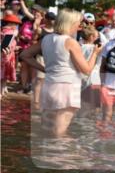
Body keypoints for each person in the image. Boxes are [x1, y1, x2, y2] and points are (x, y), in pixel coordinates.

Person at [17, 9, 103, 137]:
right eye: (78, 23)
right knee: (59, 134)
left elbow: (24, 55)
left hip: (49, 86)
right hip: (68, 88)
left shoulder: (46, 39)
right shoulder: (70, 42)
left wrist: (44, 69)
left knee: (47, 130)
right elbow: (86, 70)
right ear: (70, 23)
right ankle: (70, 156)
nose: (80, 27)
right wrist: (95, 53)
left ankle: (48, 155)